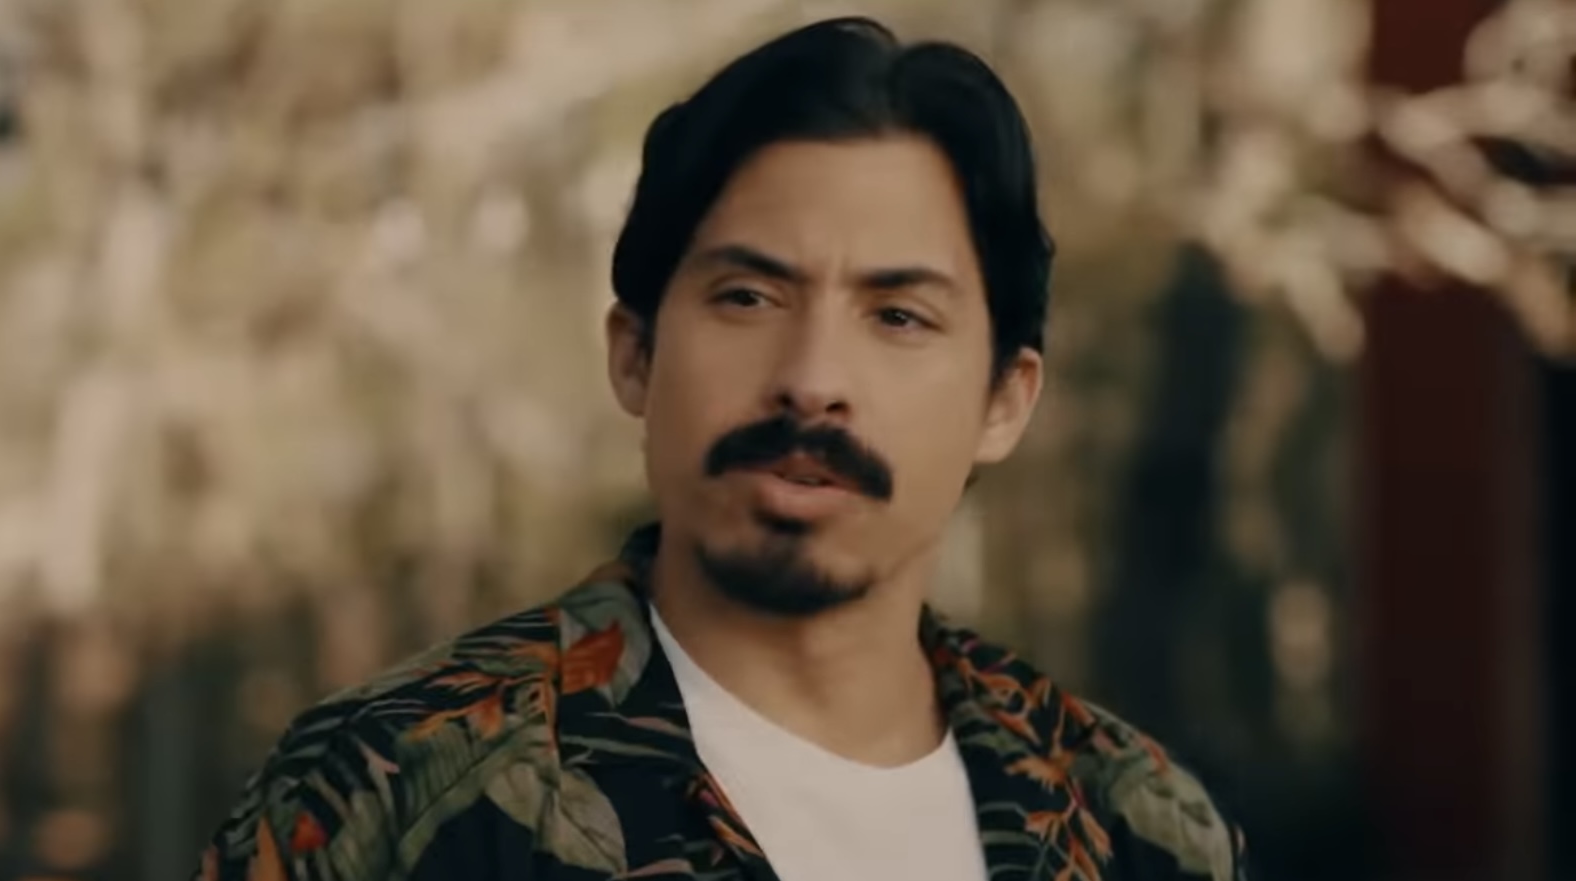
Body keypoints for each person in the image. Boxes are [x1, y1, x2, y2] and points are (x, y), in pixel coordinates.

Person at [195, 16, 1251, 881]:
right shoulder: (389, 788)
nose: (812, 377)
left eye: (898, 316)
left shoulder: (1139, 826)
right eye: (748, 296)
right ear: (636, 354)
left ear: (1004, 402)